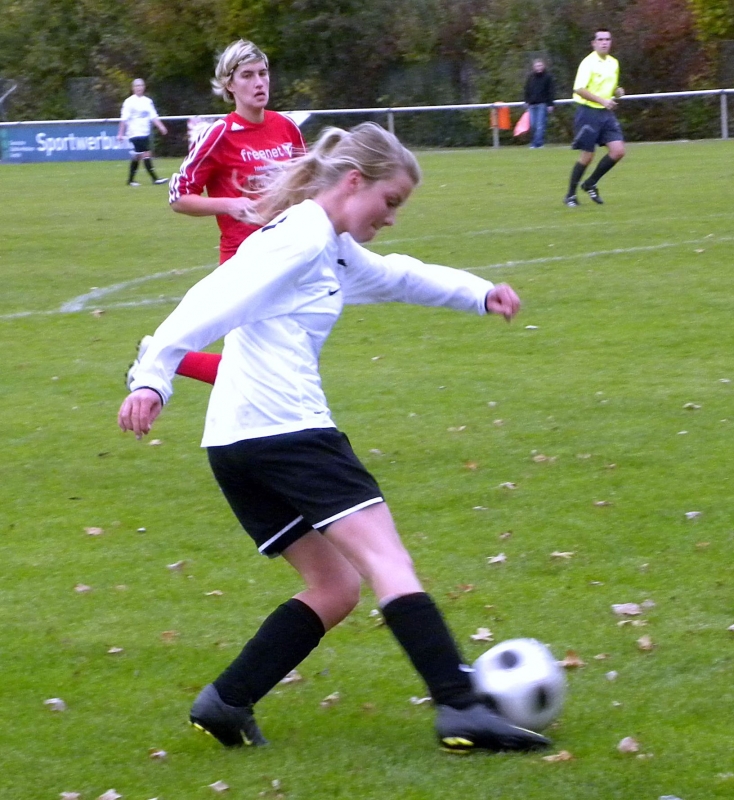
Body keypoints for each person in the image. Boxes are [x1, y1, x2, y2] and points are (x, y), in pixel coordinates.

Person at [118, 122, 550, 755]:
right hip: (287, 432)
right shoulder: (298, 238)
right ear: (354, 182)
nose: (392, 217)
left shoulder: (327, 245)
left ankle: (227, 701)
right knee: (387, 561)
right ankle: (459, 708)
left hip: (237, 444)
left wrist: (478, 293)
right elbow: (211, 298)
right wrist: (153, 377)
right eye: (390, 201)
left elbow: (398, 276)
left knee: (336, 587)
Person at [169, 39, 307, 265]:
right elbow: (179, 198)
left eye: (263, 73)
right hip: (243, 262)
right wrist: (230, 205)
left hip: (289, 255)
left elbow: (308, 185)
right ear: (229, 84)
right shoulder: (219, 134)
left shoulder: (287, 126)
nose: (259, 82)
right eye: (247, 75)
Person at [564, 29, 625, 207]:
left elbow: (609, 87)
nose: (604, 42)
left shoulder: (613, 63)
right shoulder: (588, 63)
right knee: (587, 156)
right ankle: (570, 195)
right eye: (600, 39)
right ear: (594, 43)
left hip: (605, 113)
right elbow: (580, 89)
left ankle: (590, 183)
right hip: (588, 112)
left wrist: (617, 91)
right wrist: (602, 101)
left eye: (607, 39)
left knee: (618, 151)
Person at [117, 79, 169, 187]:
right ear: (133, 88)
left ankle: (130, 180)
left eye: (140, 85)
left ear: (144, 87)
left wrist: (161, 126)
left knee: (137, 156)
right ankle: (155, 179)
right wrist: (120, 133)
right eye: (136, 86)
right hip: (134, 133)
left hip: (144, 132)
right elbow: (124, 119)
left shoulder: (147, 101)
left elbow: (153, 116)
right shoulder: (129, 102)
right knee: (146, 153)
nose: (139, 88)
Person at [523, 59, 555, 149]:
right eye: (537, 66)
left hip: (542, 104)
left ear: (543, 66)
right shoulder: (530, 77)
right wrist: (526, 101)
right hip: (532, 104)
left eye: (540, 65)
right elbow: (527, 90)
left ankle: (539, 144)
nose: (539, 67)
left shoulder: (548, 77)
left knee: (540, 125)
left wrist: (550, 104)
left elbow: (551, 91)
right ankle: (533, 143)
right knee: (533, 125)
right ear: (534, 67)